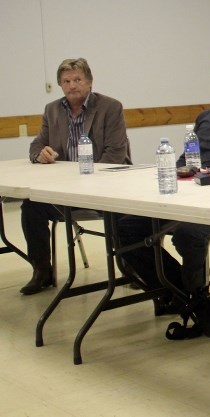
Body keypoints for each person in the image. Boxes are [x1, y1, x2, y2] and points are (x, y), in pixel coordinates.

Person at [117, 49, 210, 312]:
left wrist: (199, 175)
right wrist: (175, 172)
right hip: (187, 194)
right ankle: (178, 292)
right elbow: (184, 160)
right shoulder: (205, 117)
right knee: (125, 226)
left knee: (189, 234)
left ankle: (194, 301)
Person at [20, 58, 130, 295]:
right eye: (66, 81)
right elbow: (38, 143)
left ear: (89, 82)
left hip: (106, 187)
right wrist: (40, 153)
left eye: (77, 79)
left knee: (126, 213)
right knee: (31, 206)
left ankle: (131, 267)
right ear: (60, 85)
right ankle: (41, 270)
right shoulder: (52, 109)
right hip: (65, 191)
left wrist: (84, 180)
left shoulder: (110, 107)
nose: (72, 85)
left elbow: (115, 155)